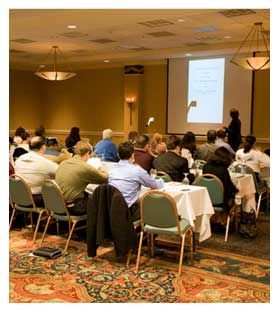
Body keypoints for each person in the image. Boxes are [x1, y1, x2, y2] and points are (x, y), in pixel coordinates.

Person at [109, 141, 164, 221]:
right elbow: (155, 185)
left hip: (113, 209)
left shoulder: (112, 170)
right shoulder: (137, 170)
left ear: (118, 155)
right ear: (132, 155)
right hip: (129, 212)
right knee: (150, 201)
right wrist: (161, 180)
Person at [55, 141, 108, 215]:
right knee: (101, 201)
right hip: (73, 207)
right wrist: (100, 169)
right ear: (87, 154)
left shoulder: (63, 163)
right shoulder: (84, 167)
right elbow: (105, 179)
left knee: (88, 194)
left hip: (58, 204)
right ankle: (97, 226)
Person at [15, 136, 58, 206]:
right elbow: (60, 173)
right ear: (43, 147)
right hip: (36, 199)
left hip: (18, 196)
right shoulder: (46, 163)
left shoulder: (19, 159)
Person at [203, 147, 238, 212]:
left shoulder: (206, 166)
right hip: (221, 201)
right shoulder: (223, 170)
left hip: (206, 198)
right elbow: (228, 187)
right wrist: (236, 190)